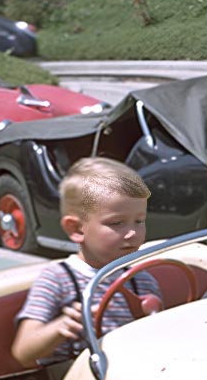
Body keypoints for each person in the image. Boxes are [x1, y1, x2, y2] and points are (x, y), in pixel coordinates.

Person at [11, 157, 163, 368]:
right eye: (117, 223)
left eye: (139, 221)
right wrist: (61, 327)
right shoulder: (58, 279)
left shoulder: (142, 279)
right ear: (77, 229)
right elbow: (23, 350)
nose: (133, 233)